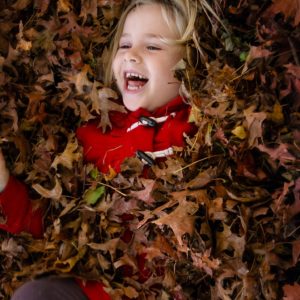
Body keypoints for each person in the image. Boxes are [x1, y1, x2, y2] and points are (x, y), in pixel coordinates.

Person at [0, 0, 200, 299]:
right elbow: (56, 227)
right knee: (35, 294)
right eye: (125, 44)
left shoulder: (199, 132)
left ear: (189, 61)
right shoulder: (96, 134)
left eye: (153, 47)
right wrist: (4, 185)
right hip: (95, 291)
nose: (131, 55)